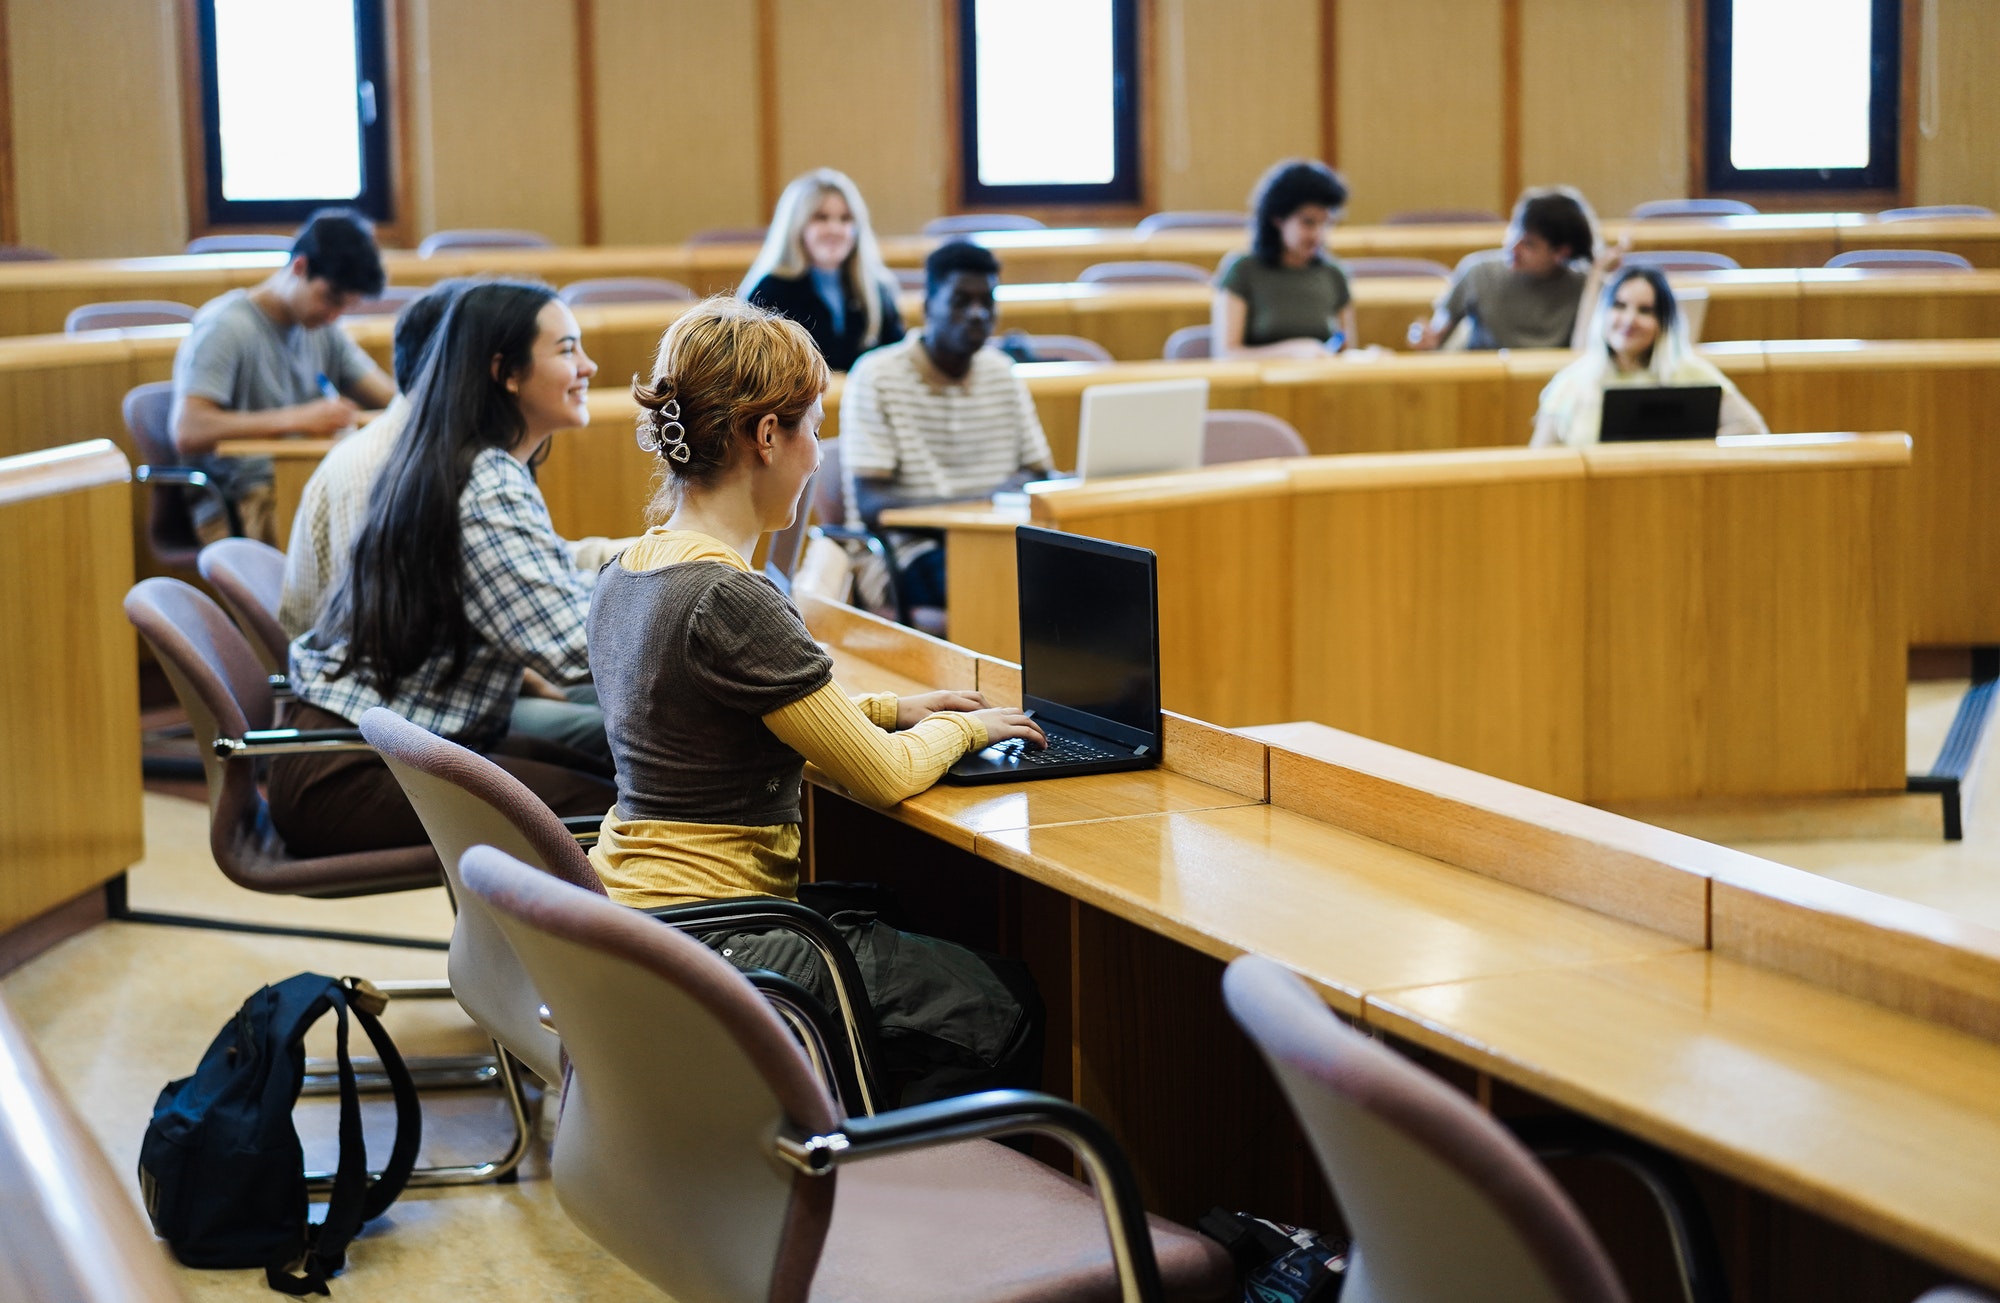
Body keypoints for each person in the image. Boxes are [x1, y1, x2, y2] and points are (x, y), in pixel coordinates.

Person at [588, 296, 1048, 1104]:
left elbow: (732, 721)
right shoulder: (731, 598)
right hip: (722, 937)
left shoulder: (631, 569)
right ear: (767, 436)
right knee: (1002, 1007)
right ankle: (885, 1199)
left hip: (641, 918)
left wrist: (896, 710)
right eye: (813, 428)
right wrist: (968, 732)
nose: (817, 456)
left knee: (909, 923)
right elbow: (881, 777)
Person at [269, 280, 616, 857]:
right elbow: (573, 648)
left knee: (603, 772)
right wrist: (706, 627)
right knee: (610, 813)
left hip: (368, 750)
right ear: (505, 373)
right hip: (344, 775)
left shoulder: (458, 459)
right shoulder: (483, 479)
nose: (588, 364)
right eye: (566, 350)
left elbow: (551, 586)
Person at [840, 241, 1054, 608]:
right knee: (997, 582)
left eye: (986, 302)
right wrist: (984, 501)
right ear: (928, 308)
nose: (976, 314)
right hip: (911, 550)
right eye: (960, 301)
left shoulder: (1002, 372)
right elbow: (873, 505)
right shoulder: (877, 376)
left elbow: (1039, 474)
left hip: (1002, 539)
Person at [170, 209, 397, 544]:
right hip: (242, 504)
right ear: (300, 267)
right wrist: (299, 419)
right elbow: (188, 430)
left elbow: (391, 398)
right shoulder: (226, 326)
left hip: (307, 485)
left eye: (345, 307)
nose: (333, 315)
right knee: (371, 535)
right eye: (330, 299)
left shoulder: (323, 329)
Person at [1530, 265, 1769, 448]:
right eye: (1619, 306)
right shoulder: (1571, 381)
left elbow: (1752, 430)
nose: (1629, 320)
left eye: (1645, 311)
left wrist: (1689, 449)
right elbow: (1541, 464)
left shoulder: (1692, 373)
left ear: (1663, 323)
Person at [740, 168, 906, 372]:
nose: (835, 229)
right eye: (821, 218)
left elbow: (896, 361)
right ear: (796, 226)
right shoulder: (768, 291)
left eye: (845, 219)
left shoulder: (877, 288)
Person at [1411, 186, 1608, 352]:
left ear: (1561, 253)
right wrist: (1424, 337)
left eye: (1529, 244)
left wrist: (1598, 277)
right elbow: (1437, 334)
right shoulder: (1478, 272)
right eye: (1514, 233)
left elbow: (1588, 352)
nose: (1513, 248)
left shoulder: (1584, 285)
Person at [1211, 159, 1356, 359]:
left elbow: (1346, 352)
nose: (1318, 235)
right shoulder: (1242, 270)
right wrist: (1294, 351)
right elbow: (1227, 355)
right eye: (1308, 222)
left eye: (1326, 223)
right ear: (1278, 219)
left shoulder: (1333, 274)